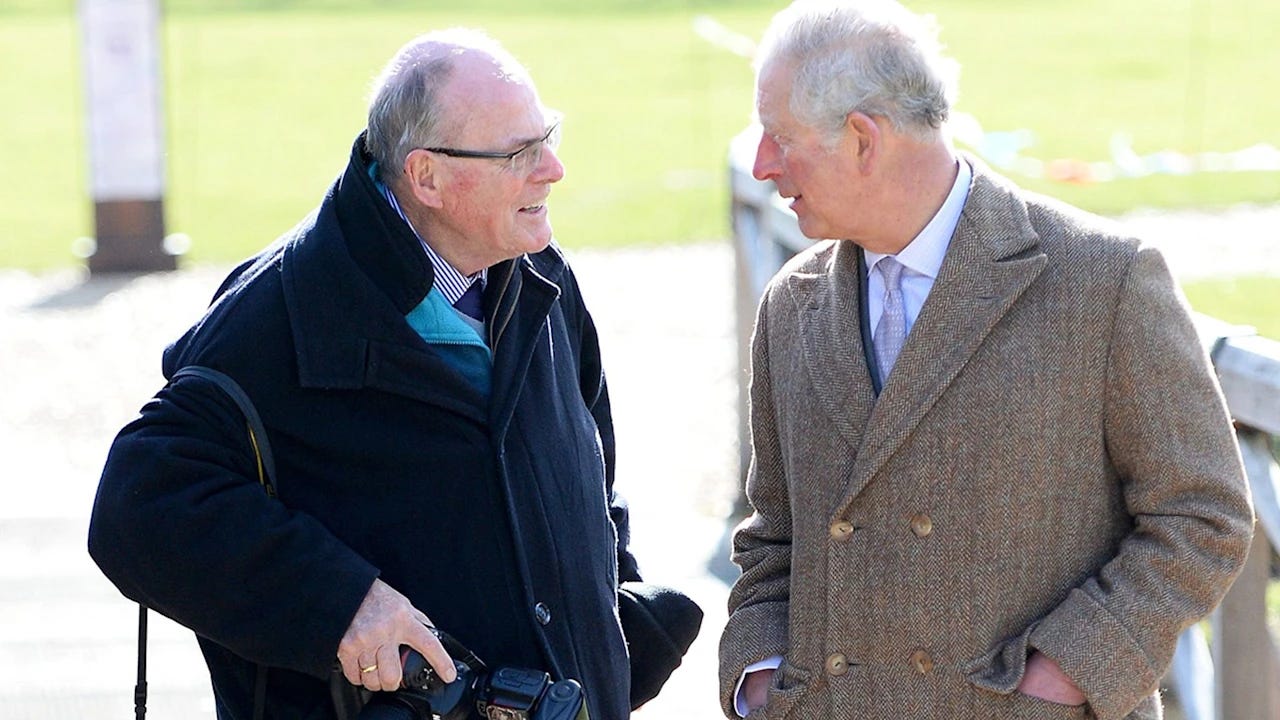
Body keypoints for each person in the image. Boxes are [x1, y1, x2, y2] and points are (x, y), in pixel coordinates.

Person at [89, 29, 701, 720]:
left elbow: (593, 475)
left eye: (549, 137)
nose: (553, 168)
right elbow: (138, 506)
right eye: (519, 153)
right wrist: (342, 604)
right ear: (426, 177)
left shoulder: (543, 279)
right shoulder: (277, 313)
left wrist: (611, 616)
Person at [718, 2, 1255, 719]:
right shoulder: (791, 305)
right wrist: (760, 676)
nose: (761, 165)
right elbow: (772, 537)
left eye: (779, 138)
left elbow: (1203, 511)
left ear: (862, 140)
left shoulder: (1104, 279)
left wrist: (1067, 674)